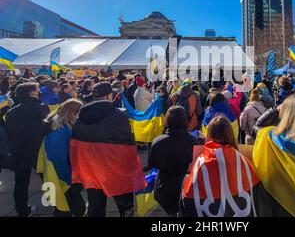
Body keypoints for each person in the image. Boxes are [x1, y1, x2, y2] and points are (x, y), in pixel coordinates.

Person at [70, 82, 146, 217]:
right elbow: (127, 146)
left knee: (95, 206)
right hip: (116, 169)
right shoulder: (119, 116)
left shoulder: (81, 114)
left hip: (92, 169)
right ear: (109, 95)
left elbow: (77, 143)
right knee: (125, 206)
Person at [180, 115, 273, 217]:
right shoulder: (244, 162)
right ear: (231, 135)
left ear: (209, 136)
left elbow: (187, 200)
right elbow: (260, 203)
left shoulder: (200, 164)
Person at [5, 83, 50, 216]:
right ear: (32, 93)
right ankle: (53, 202)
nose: (39, 92)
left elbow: (9, 132)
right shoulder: (41, 107)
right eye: (37, 90)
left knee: (20, 182)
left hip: (19, 150)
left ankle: (22, 209)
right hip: (39, 150)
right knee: (47, 178)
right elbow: (47, 127)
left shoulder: (11, 111)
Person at [146, 106, 199, 216]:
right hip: (186, 186)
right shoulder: (193, 142)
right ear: (185, 120)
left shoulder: (157, 142)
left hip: (164, 187)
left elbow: (151, 163)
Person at [38, 99, 86, 217]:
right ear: (72, 113)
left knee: (63, 206)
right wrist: (69, 180)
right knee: (69, 208)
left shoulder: (55, 125)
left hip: (56, 175)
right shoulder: (62, 131)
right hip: (63, 178)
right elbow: (58, 159)